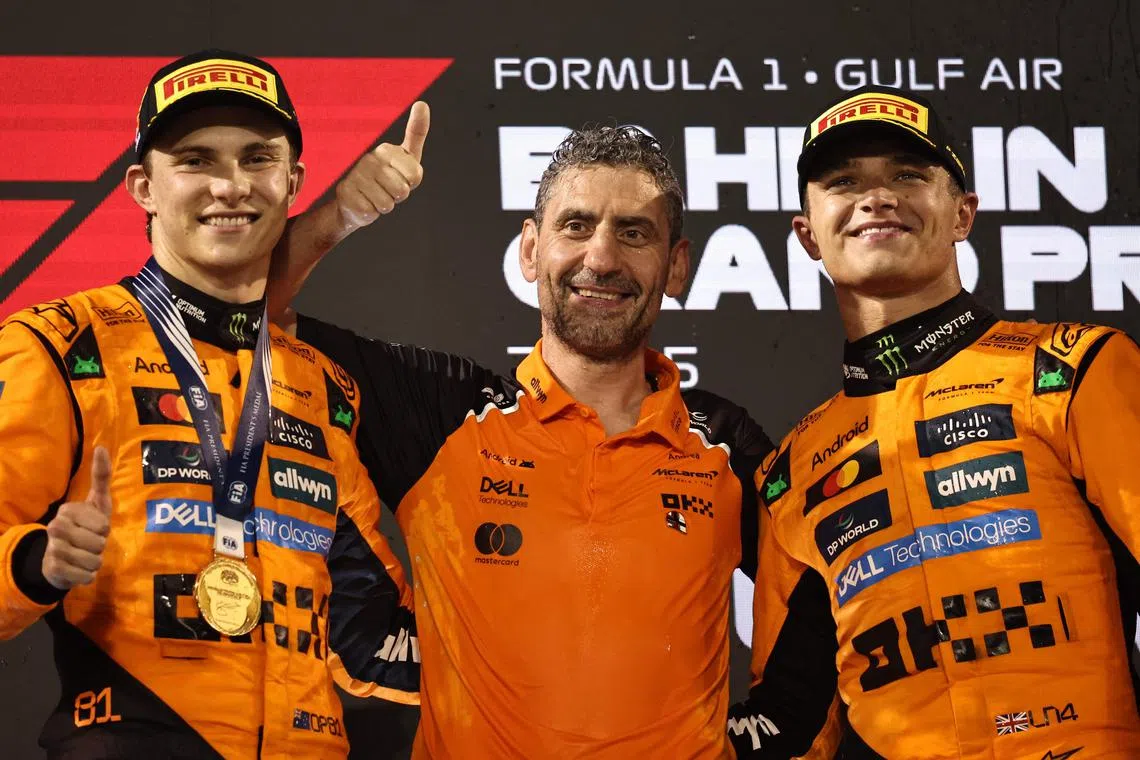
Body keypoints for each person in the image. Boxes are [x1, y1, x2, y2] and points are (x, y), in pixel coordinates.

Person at [272, 123, 786, 758]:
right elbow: (241, 314)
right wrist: (335, 218)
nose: (601, 258)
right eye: (576, 226)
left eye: (634, 232)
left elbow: (823, 615)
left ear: (676, 266)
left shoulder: (726, 445)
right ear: (529, 250)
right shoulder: (443, 414)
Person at [0, 50, 418, 759]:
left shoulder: (323, 388)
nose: (231, 186)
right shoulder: (59, 348)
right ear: (143, 187)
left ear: (293, 182)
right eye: (195, 159)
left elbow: (368, 622)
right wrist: (39, 562)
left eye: (257, 158)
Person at [727, 85, 1140, 759]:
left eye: (908, 175)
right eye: (843, 182)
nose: (877, 196)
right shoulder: (791, 473)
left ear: (961, 213)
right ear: (807, 234)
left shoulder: (1073, 370)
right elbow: (788, 724)